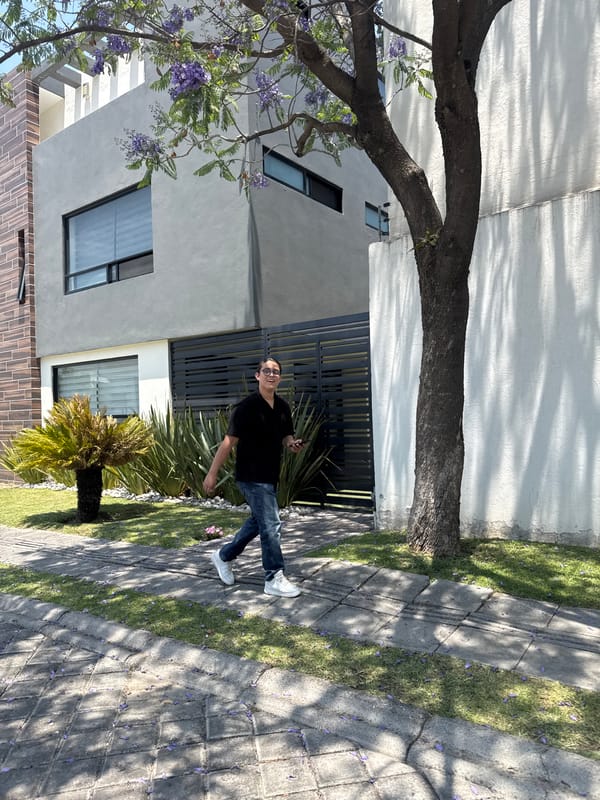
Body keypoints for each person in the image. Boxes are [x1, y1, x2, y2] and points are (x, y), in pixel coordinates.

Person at [202, 357, 305, 598]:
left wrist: (292, 444)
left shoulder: (282, 407)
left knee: (259, 523)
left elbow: (286, 435)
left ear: (280, 377)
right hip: (250, 475)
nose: (272, 375)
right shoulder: (246, 407)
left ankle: (223, 556)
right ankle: (273, 577)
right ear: (257, 375)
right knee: (271, 525)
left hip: (270, 474)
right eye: (266, 371)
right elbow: (228, 443)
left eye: (276, 371)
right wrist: (212, 473)